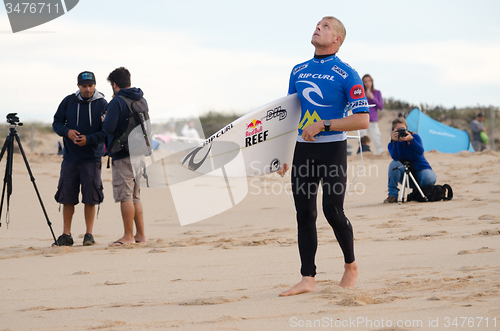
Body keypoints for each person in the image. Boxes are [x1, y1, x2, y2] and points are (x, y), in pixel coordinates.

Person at [278, 16, 370, 296]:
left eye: (326, 26)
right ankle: (308, 278)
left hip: (332, 149)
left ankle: (350, 266)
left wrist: (324, 124)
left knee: (333, 210)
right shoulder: (298, 70)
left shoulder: (347, 73)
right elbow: (290, 115)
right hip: (303, 150)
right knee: (304, 213)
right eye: (318, 24)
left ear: (337, 39)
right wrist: (281, 153)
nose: (318, 28)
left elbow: (362, 119)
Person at [52, 71, 107, 246]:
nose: (88, 89)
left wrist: (89, 139)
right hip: (70, 158)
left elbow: (106, 131)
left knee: (91, 197)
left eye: (91, 85)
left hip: (92, 158)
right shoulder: (68, 101)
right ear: (78, 86)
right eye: (84, 86)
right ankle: (66, 235)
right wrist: (66, 132)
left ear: (95, 85)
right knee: (67, 196)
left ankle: (88, 235)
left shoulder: (103, 104)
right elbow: (56, 123)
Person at [103, 67, 147, 246]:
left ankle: (128, 236)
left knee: (126, 196)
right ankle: (140, 235)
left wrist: (104, 119)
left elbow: (108, 128)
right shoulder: (141, 99)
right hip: (140, 152)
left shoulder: (117, 102)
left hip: (123, 153)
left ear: (114, 84)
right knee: (135, 196)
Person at [384, 118, 436, 203]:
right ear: (393, 131)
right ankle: (392, 195)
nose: (401, 131)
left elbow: (420, 152)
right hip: (403, 173)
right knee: (393, 165)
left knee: (430, 177)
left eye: (403, 129)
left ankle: (418, 193)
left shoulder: (415, 137)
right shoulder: (392, 144)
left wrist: (411, 140)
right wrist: (396, 142)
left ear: (407, 129)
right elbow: (396, 157)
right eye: (398, 130)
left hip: (421, 170)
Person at [361, 74, 384, 155]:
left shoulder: (377, 93)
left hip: (372, 120)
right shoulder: (360, 93)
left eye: (369, 81)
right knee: (362, 140)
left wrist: (372, 97)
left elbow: (381, 106)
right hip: (362, 120)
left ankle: (380, 155)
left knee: (377, 139)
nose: (367, 83)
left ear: (372, 82)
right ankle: (363, 155)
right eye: (365, 82)